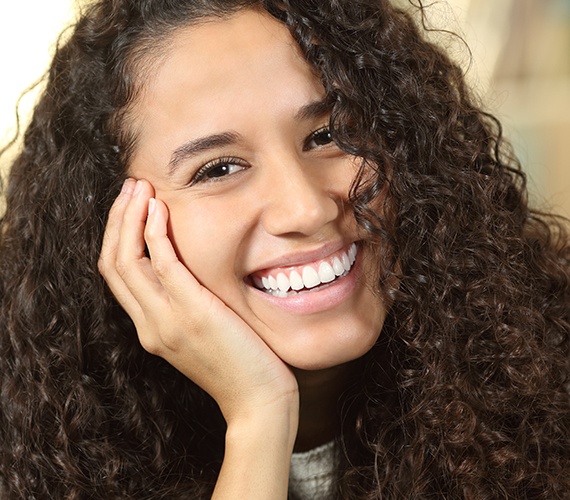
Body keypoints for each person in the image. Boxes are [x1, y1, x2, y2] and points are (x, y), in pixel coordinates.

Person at [0, 0, 569, 498]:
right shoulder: (28, 448)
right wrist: (259, 419)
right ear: (115, 229)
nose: (307, 209)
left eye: (326, 135)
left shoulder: (552, 367)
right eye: (219, 168)